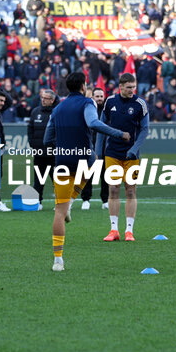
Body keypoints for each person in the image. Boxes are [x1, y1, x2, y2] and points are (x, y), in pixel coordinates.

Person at [43, 72, 127, 272]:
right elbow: (93, 123)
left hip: (63, 161)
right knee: (94, 164)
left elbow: (47, 139)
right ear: (83, 86)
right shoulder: (88, 103)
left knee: (59, 212)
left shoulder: (58, 107)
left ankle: (58, 260)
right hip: (83, 159)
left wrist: (63, 145)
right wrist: (118, 133)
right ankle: (72, 199)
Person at [98, 73, 149, 242]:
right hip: (112, 152)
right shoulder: (110, 102)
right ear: (120, 87)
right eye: (129, 87)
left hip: (131, 155)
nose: (132, 90)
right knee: (113, 189)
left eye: (133, 87)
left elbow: (144, 129)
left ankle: (129, 231)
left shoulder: (140, 104)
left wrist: (135, 148)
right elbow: (101, 126)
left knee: (130, 190)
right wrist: (99, 152)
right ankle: (114, 230)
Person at [79, 86, 110, 210]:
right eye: (97, 96)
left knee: (105, 175)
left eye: (101, 96)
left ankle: (105, 200)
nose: (99, 98)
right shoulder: (87, 109)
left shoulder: (108, 111)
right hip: (89, 147)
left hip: (104, 148)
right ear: (92, 97)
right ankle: (86, 199)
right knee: (87, 174)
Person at [27, 89, 57, 207]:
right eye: (42, 98)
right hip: (39, 153)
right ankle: (37, 202)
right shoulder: (35, 111)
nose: (43, 100)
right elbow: (30, 129)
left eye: (46, 98)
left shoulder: (57, 112)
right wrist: (32, 144)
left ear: (52, 100)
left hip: (53, 154)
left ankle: (59, 203)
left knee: (57, 180)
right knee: (39, 179)